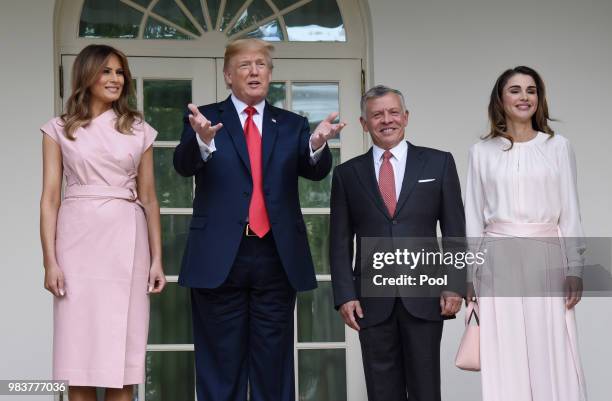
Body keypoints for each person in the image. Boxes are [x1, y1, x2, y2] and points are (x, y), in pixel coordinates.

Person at [173, 38, 344, 401]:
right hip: (220, 257)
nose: (254, 71)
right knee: (221, 366)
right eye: (245, 65)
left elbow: (314, 172)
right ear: (227, 75)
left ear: (270, 74)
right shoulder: (204, 117)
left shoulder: (293, 124)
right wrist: (202, 141)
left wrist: (316, 144)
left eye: (261, 65)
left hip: (275, 256)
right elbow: (182, 165)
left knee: (273, 364)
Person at [39, 44, 166, 401]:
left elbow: (150, 197)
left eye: (120, 72)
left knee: (122, 367)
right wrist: (50, 261)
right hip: (77, 243)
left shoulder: (140, 130)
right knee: (77, 360)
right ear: (87, 75)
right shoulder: (58, 129)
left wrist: (157, 259)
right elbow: (50, 199)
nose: (115, 79)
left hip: (127, 241)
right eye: (107, 71)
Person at [330, 85, 465, 401]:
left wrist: (455, 284)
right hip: (371, 301)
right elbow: (338, 241)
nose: (386, 120)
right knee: (381, 392)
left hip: (425, 297)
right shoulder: (347, 174)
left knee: (425, 390)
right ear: (365, 123)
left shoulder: (439, 163)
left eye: (393, 112)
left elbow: (455, 230)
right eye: (376, 114)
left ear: (406, 117)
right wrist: (344, 295)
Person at [465, 66, 587, 401]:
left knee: (552, 347)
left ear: (539, 98)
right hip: (496, 260)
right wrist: (470, 274)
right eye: (515, 90)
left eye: (531, 90)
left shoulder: (558, 147)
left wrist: (574, 267)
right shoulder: (481, 152)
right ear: (500, 99)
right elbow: (474, 216)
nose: (524, 97)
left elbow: (571, 212)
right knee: (505, 351)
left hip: (547, 257)